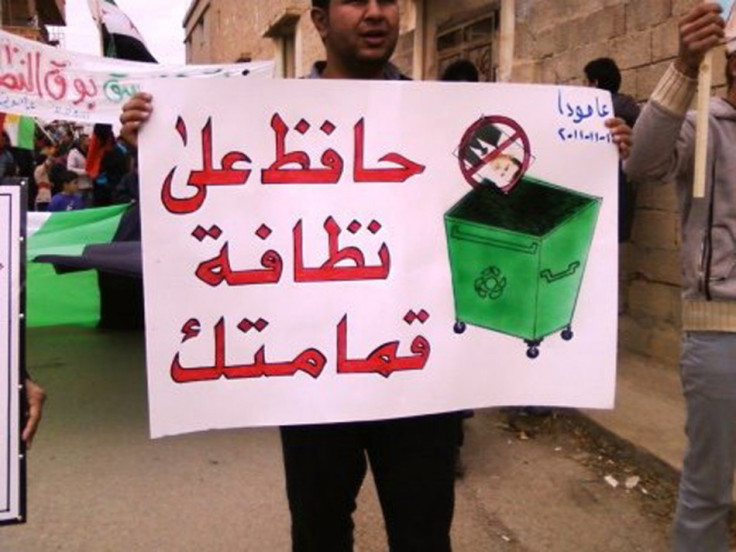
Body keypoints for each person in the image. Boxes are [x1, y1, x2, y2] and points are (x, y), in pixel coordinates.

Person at [121, 2, 633, 550]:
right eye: (354, 0)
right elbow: (211, 213)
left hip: (418, 383)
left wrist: (597, 153)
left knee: (423, 534)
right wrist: (149, 152)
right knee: (319, 534)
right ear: (317, 20)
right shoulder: (260, 124)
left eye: (387, 0)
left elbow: (510, 191)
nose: (374, 13)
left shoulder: (438, 119)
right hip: (315, 379)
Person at [624, 4, 735, 551]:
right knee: (708, 490)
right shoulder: (702, 126)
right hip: (722, 336)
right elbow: (642, 164)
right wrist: (685, 64)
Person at [584, 57, 640, 242]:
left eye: (586, 82)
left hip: (594, 190)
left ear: (595, 83)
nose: (583, 87)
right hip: (623, 189)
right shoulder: (632, 109)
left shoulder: (589, 112)